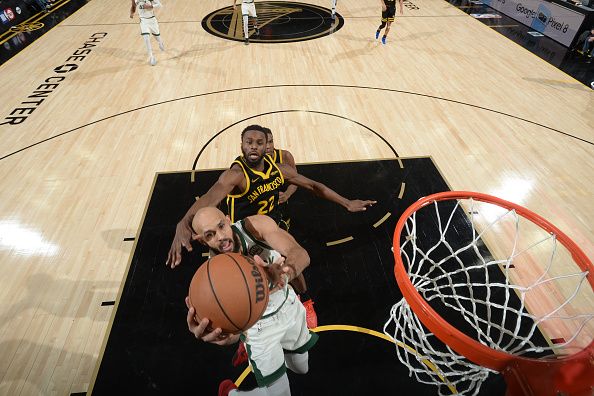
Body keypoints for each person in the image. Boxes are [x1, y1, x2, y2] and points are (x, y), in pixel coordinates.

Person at [166, 124, 376, 269]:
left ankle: (303, 300)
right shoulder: (237, 174)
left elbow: (314, 186)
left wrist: (346, 202)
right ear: (242, 146)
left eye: (259, 142)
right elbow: (209, 197)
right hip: (243, 232)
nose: (254, 146)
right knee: (243, 272)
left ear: (267, 145)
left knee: (289, 263)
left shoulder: (280, 169)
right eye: (249, 142)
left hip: (271, 224)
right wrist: (183, 223)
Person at [186, 207, 318, 396]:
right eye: (210, 235)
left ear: (228, 218)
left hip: (288, 308)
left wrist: (284, 274)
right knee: (280, 394)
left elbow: (300, 253)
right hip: (259, 328)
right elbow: (230, 329)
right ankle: (232, 394)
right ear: (201, 240)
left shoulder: (254, 227)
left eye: (222, 226)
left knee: (301, 368)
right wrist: (224, 336)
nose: (221, 237)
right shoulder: (213, 279)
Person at [130, 0, 165, 65]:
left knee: (157, 37)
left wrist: (151, 6)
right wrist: (132, 12)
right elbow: (133, 6)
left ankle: (160, 42)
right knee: (146, 38)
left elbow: (160, 5)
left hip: (152, 20)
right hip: (143, 20)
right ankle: (151, 57)